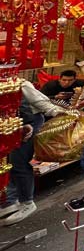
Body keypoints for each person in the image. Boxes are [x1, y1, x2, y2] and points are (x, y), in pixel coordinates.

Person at [0, 82, 64, 225]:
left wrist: (59, 114)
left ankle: (27, 202)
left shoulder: (19, 84)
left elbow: (39, 102)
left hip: (26, 123)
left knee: (18, 163)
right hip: (9, 125)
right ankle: (10, 201)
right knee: (6, 164)